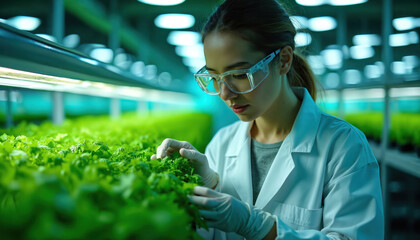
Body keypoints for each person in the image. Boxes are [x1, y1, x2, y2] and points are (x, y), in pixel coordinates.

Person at [151, 0, 384, 239]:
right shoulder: (222, 144)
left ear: (283, 60)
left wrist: (259, 226)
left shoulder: (344, 146)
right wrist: (207, 186)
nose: (225, 93)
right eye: (214, 77)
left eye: (240, 74)